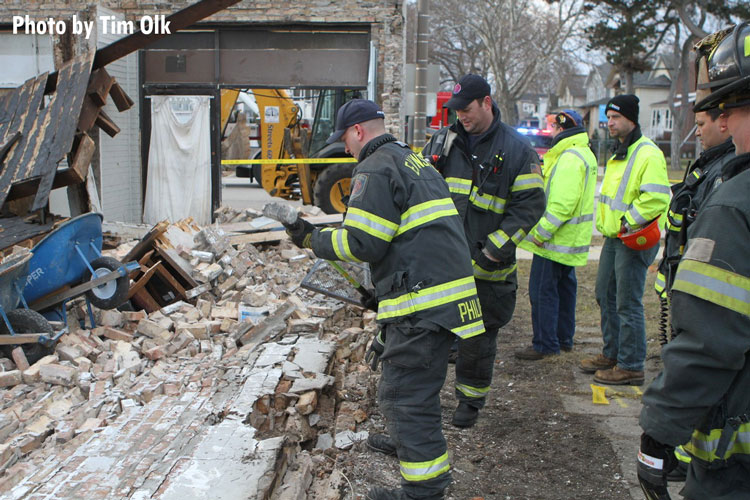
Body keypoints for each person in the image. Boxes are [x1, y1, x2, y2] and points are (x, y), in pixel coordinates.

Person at [285, 98, 485, 500]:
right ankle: (411, 444)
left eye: (344, 139)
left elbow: (364, 242)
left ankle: (424, 490)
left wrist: (311, 237)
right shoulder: (412, 160)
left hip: (425, 301)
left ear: (358, 131)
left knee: (403, 398)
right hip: (444, 297)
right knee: (414, 393)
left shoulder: (374, 167)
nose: (345, 149)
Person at [638, 22, 750, 500]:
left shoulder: (735, 204)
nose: (722, 123)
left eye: (730, 107)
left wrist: (659, 430)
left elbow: (712, 341)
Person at [421, 74, 545, 427]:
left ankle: (469, 404)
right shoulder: (442, 142)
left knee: (477, 339)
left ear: (486, 103)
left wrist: (494, 250)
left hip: (487, 269)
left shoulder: (518, 151)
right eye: (456, 110)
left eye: (467, 109)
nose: (461, 116)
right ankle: (424, 402)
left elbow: (529, 208)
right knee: (432, 334)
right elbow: (420, 188)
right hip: (443, 263)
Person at [579, 94, 670, 386]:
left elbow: (655, 198)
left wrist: (626, 222)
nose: (609, 122)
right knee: (605, 294)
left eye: (616, 117)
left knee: (627, 302)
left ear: (631, 118)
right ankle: (613, 353)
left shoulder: (648, 153)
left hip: (633, 238)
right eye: (608, 117)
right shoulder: (622, 151)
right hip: (615, 237)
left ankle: (631, 365)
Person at [514, 110, 597, 360]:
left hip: (554, 241)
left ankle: (545, 344)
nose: (550, 133)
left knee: (542, 291)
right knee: (564, 290)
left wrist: (541, 233)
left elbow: (562, 204)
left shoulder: (569, 157)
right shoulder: (584, 153)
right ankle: (563, 339)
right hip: (569, 241)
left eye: (552, 128)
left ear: (561, 130)